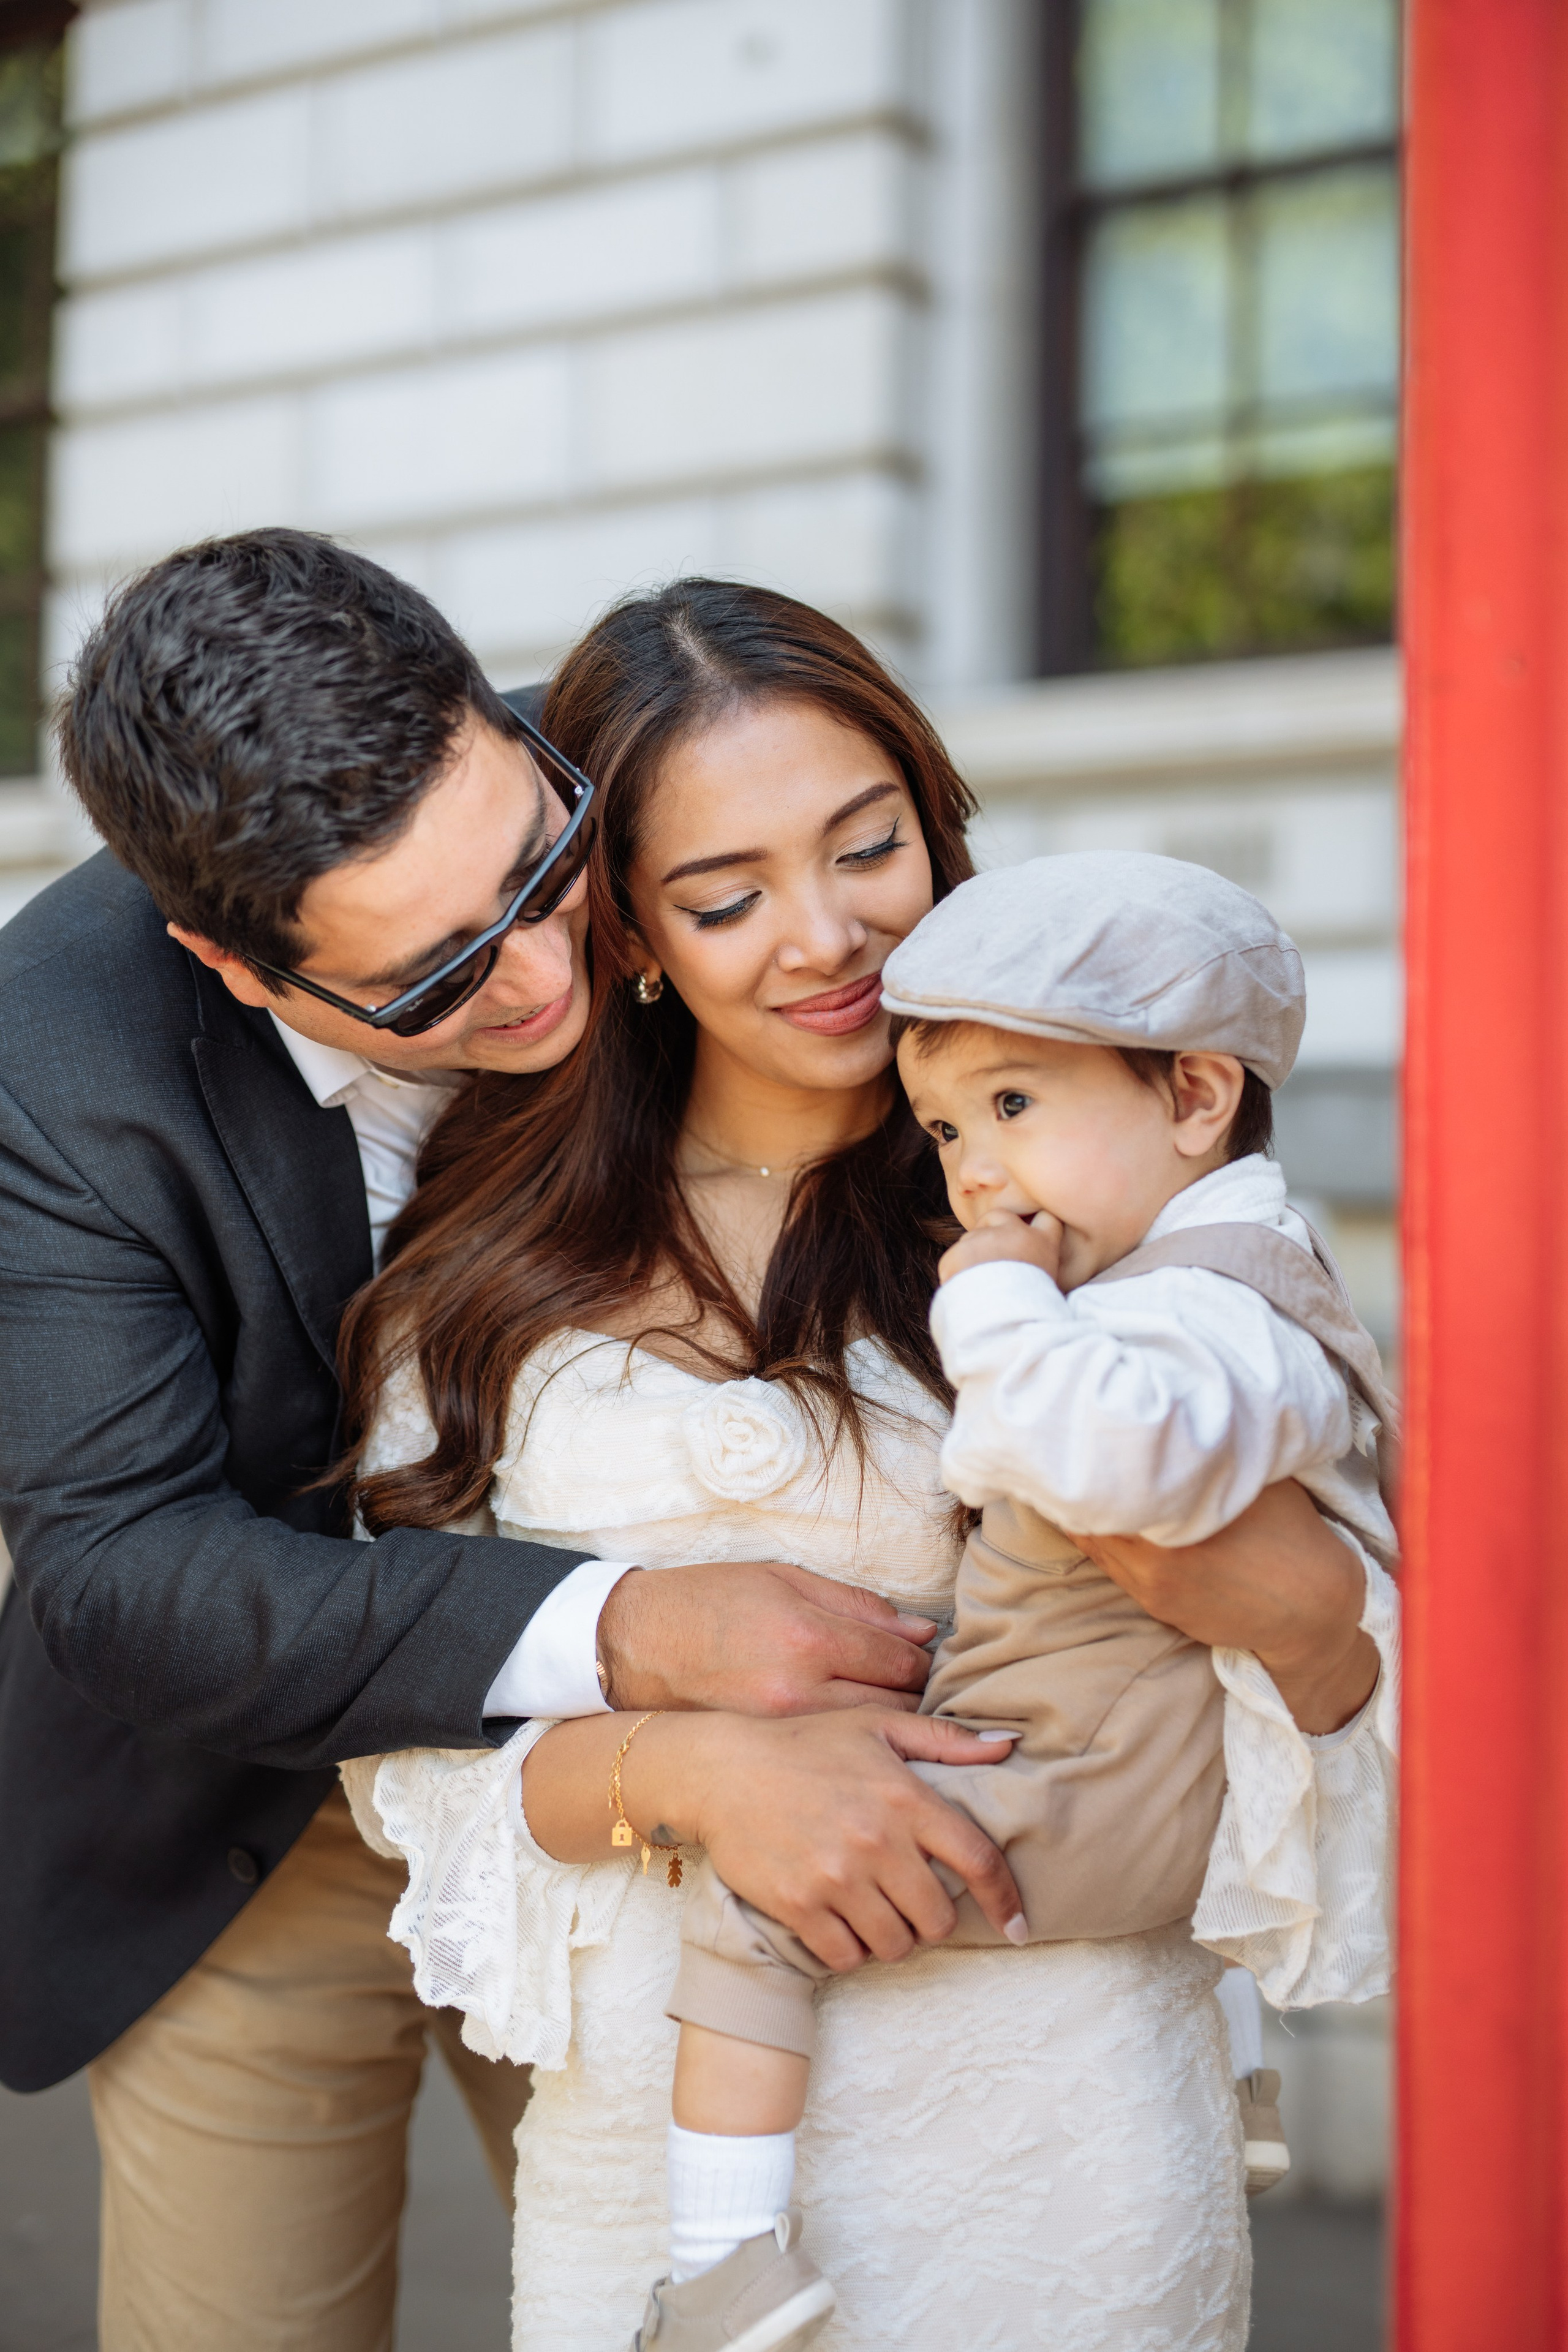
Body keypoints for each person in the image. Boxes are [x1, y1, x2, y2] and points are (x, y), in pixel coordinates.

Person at [338, 579, 1390, 2351]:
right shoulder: (483, 1273)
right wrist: (679, 1772)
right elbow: (396, 1751)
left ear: (939, 822)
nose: (826, 939)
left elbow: (1355, 1648)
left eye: (869, 847)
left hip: (1073, 2150)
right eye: (727, 897)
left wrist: (1289, 1607)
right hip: (664, 2205)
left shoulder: (1111, 1198)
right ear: (635, 938)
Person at [0, 531, 973, 2352]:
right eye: (437, 976)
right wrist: (627, 1625)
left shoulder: (674, 803)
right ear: (231, 961)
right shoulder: (51, 1066)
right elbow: (121, 1573)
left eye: (539, 866)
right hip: (248, 1835)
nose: (546, 969)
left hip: (675, 1852)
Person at [652, 852, 1399, 2345]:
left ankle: (719, 2264)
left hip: (1092, 1780)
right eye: (942, 1128)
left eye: (1012, 1106)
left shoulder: (1209, 1303)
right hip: (1143, 1762)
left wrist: (989, 1298)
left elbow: (1111, 1464)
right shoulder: (1192, 1271)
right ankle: (1241, 2085)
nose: (973, 1173)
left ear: (1194, 1098)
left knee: (760, 1909)